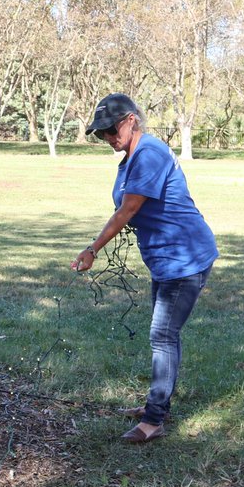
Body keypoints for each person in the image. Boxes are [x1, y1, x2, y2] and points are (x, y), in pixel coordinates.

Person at [72, 92, 219, 443]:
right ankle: (158, 405)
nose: (107, 137)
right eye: (100, 133)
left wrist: (93, 248)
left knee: (162, 336)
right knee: (166, 335)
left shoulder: (149, 154)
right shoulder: (134, 154)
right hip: (167, 257)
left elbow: (128, 210)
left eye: (110, 130)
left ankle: (153, 421)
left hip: (184, 258)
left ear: (131, 120)